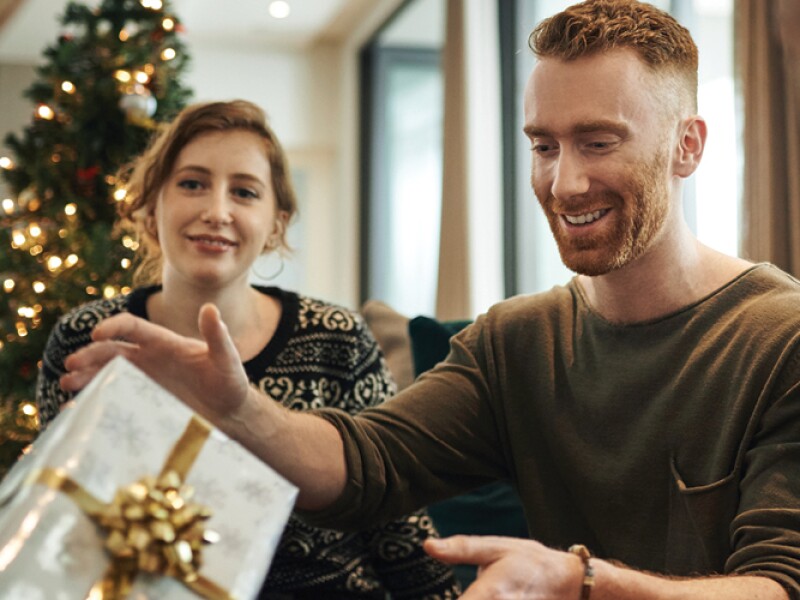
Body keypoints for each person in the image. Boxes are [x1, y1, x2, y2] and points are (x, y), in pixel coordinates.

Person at [59, 2, 800, 598]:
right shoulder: (517, 340)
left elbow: (779, 585)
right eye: (544, 146)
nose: (564, 182)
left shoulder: (779, 337)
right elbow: (368, 462)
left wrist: (581, 580)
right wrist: (238, 411)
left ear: (689, 146)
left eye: (599, 142)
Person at [36, 100, 460, 599]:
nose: (217, 212)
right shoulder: (92, 336)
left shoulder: (337, 337)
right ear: (152, 206)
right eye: (192, 183)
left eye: (244, 192)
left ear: (276, 223)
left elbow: (395, 523)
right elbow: (66, 518)